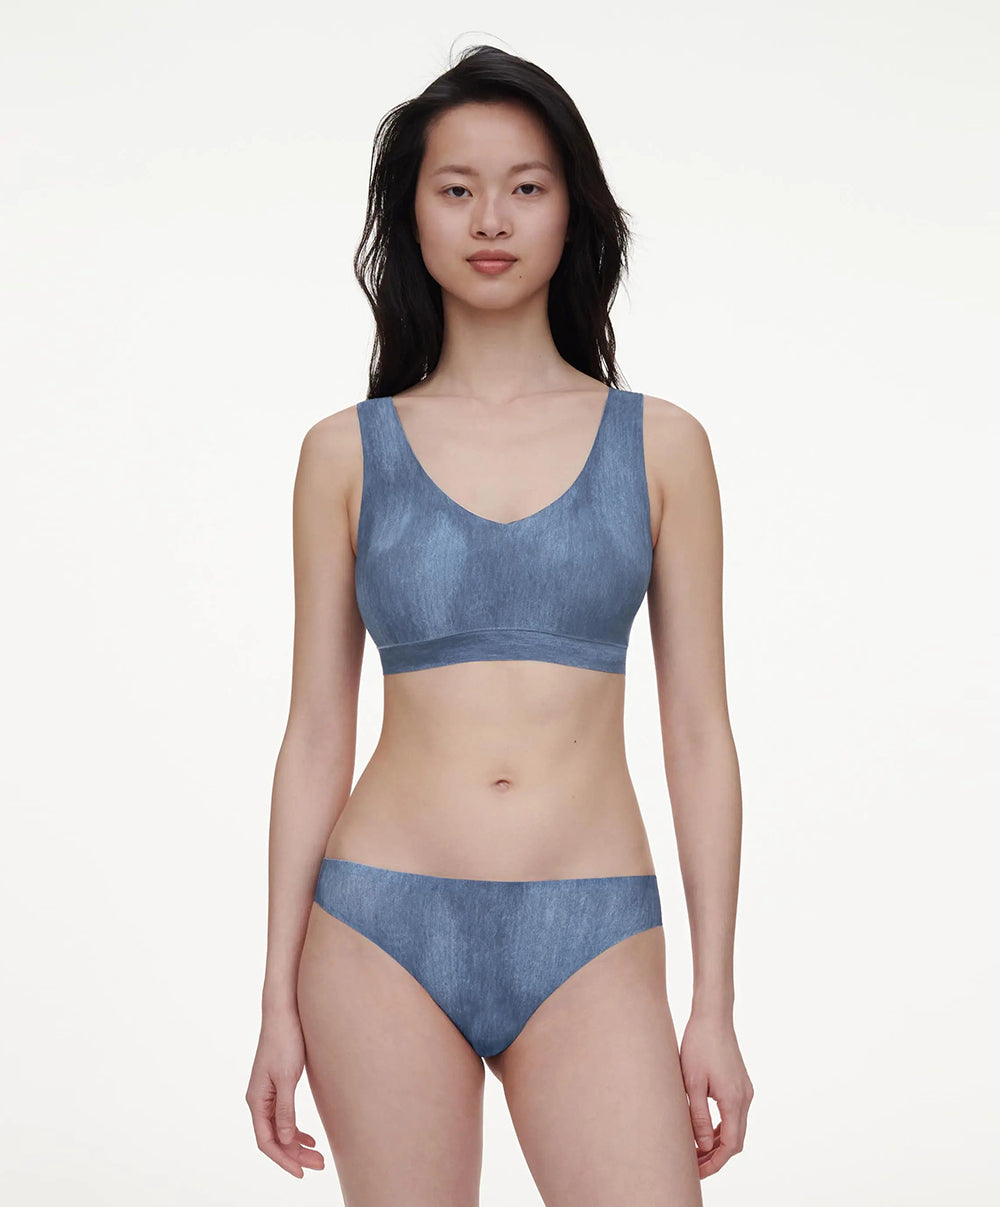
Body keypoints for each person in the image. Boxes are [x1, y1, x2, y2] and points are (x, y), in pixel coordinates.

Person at [245, 43, 753, 1206]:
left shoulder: (663, 446)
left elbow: (698, 735)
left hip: (593, 927)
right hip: (376, 923)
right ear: (411, 215)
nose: (490, 218)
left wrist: (714, 1002)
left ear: (573, 210)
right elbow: (315, 732)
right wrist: (275, 997)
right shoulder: (343, 454)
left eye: (526, 186)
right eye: (455, 187)